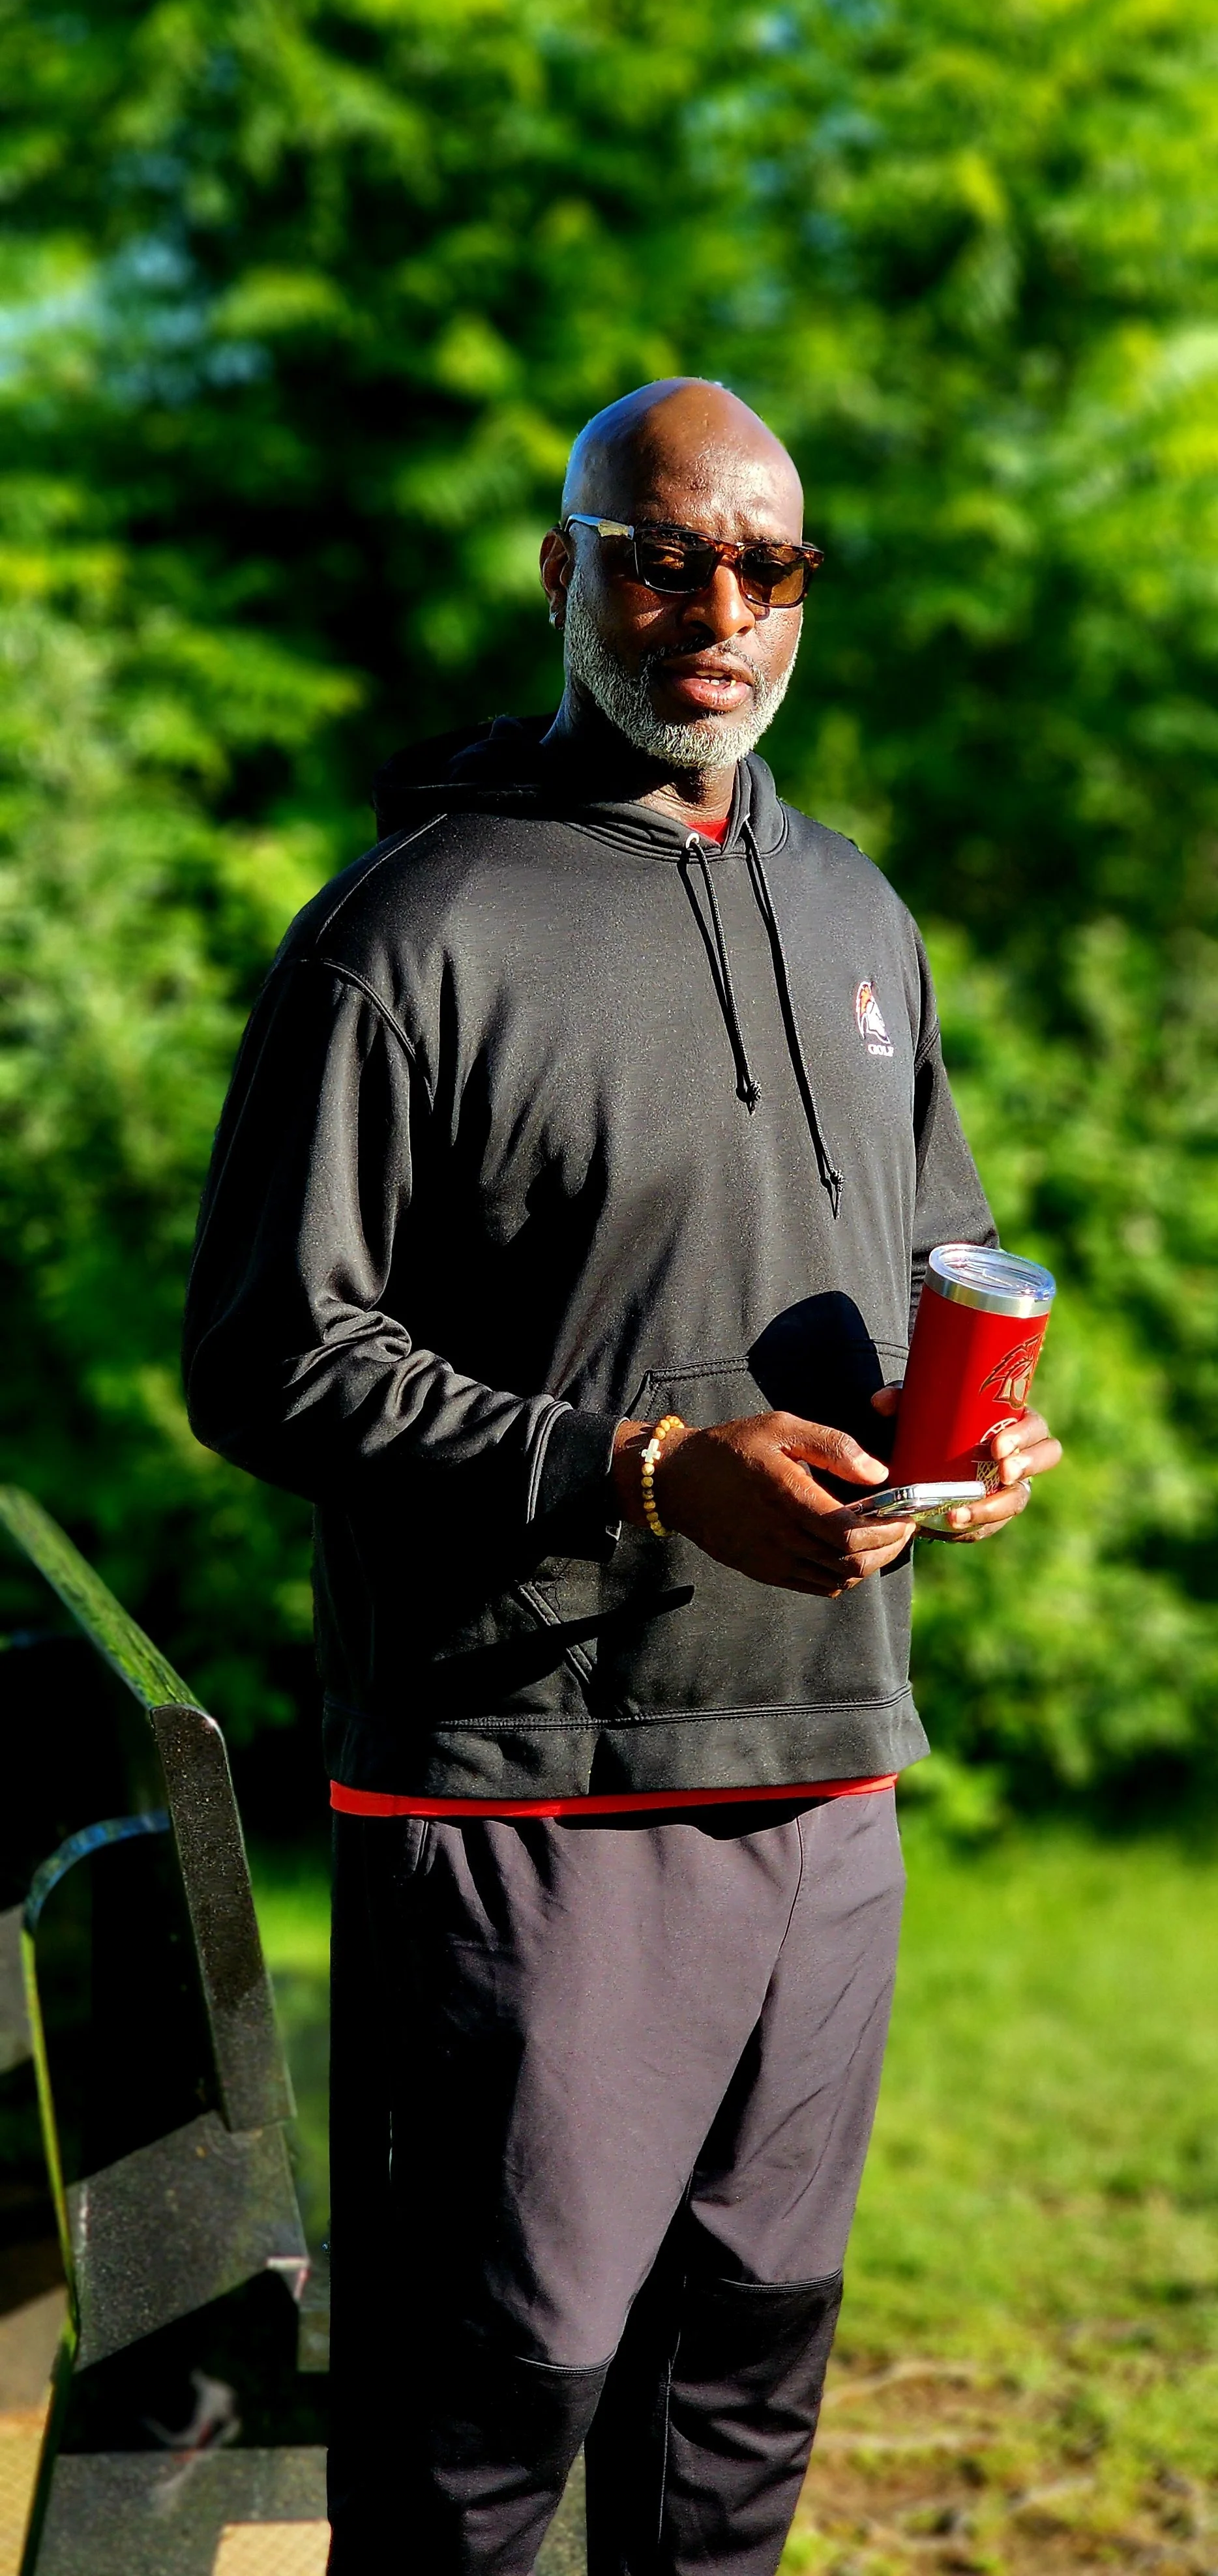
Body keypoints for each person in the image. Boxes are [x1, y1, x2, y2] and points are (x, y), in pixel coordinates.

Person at [183, 379, 1061, 2576]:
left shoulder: (857, 913)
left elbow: (931, 1254)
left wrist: (983, 1438)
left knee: (740, 2401)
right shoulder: (412, 930)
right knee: (489, 2429)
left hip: (829, 1767)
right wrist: (648, 1467)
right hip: (524, 1798)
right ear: (560, 568)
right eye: (664, 555)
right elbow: (269, 1360)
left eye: (768, 565)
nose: (719, 611)